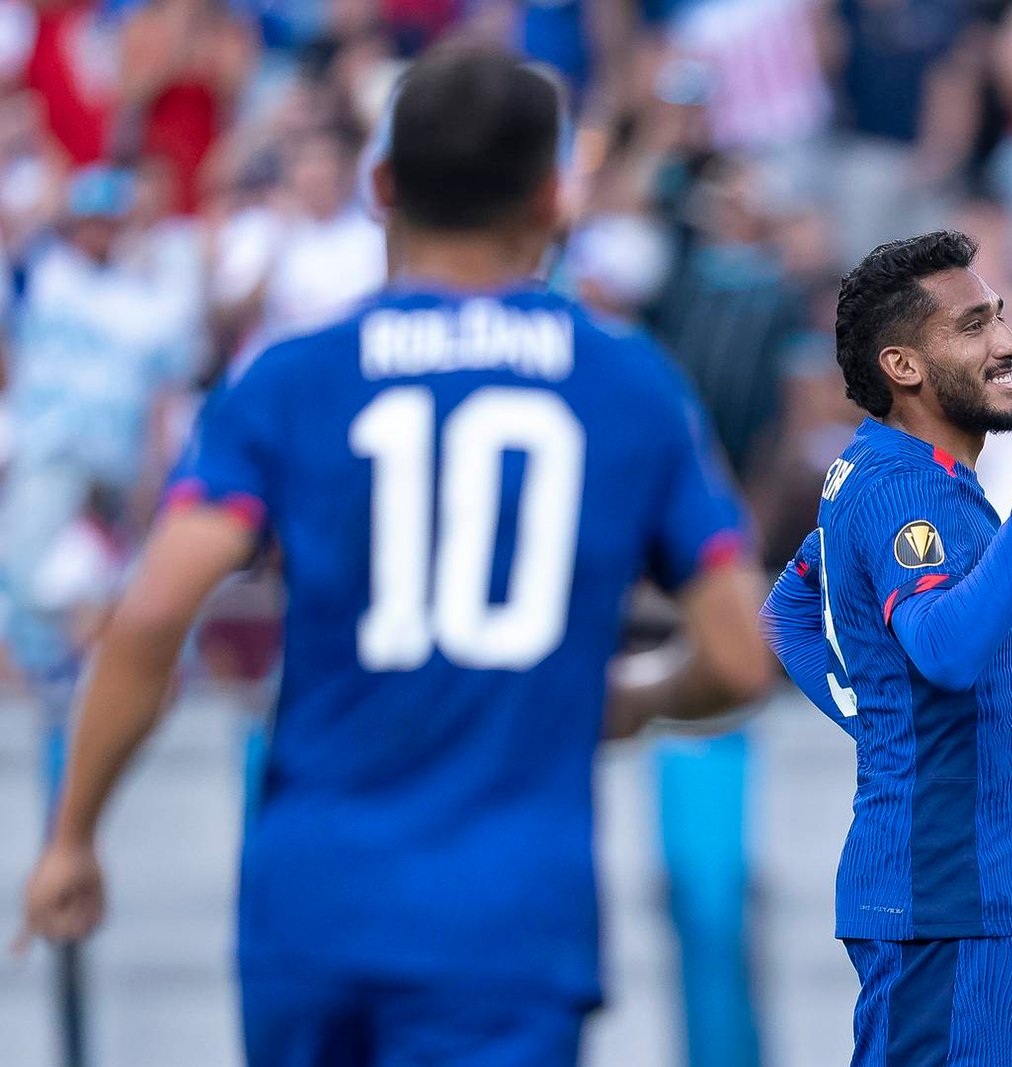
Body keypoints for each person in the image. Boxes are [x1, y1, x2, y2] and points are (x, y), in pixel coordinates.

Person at [16, 45, 774, 1066]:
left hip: (315, 904)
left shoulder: (289, 380)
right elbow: (737, 658)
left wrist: (73, 834)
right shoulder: (630, 388)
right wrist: (631, 698)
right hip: (510, 918)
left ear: (380, 186)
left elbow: (152, 613)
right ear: (554, 197)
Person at [761, 231, 1012, 1065]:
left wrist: (881, 719)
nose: (1008, 344)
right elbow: (947, 652)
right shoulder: (902, 491)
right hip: (943, 898)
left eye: (998, 316)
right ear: (904, 367)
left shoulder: (894, 472)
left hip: (1005, 892)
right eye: (974, 326)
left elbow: (787, 610)